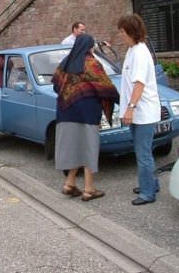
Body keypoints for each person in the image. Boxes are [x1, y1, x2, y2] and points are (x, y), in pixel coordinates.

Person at [52, 34, 119, 202]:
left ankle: (69, 184)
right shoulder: (91, 62)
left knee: (74, 146)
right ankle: (89, 189)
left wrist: (71, 92)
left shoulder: (65, 63)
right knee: (88, 147)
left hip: (65, 111)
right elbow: (106, 86)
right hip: (88, 112)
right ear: (89, 47)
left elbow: (55, 85)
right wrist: (119, 100)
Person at [118, 14, 161, 206]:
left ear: (130, 32)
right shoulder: (132, 50)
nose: (120, 35)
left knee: (143, 154)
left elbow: (139, 85)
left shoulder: (140, 53)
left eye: (122, 32)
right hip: (138, 112)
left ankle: (147, 193)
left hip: (143, 112)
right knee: (143, 151)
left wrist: (130, 109)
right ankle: (150, 183)